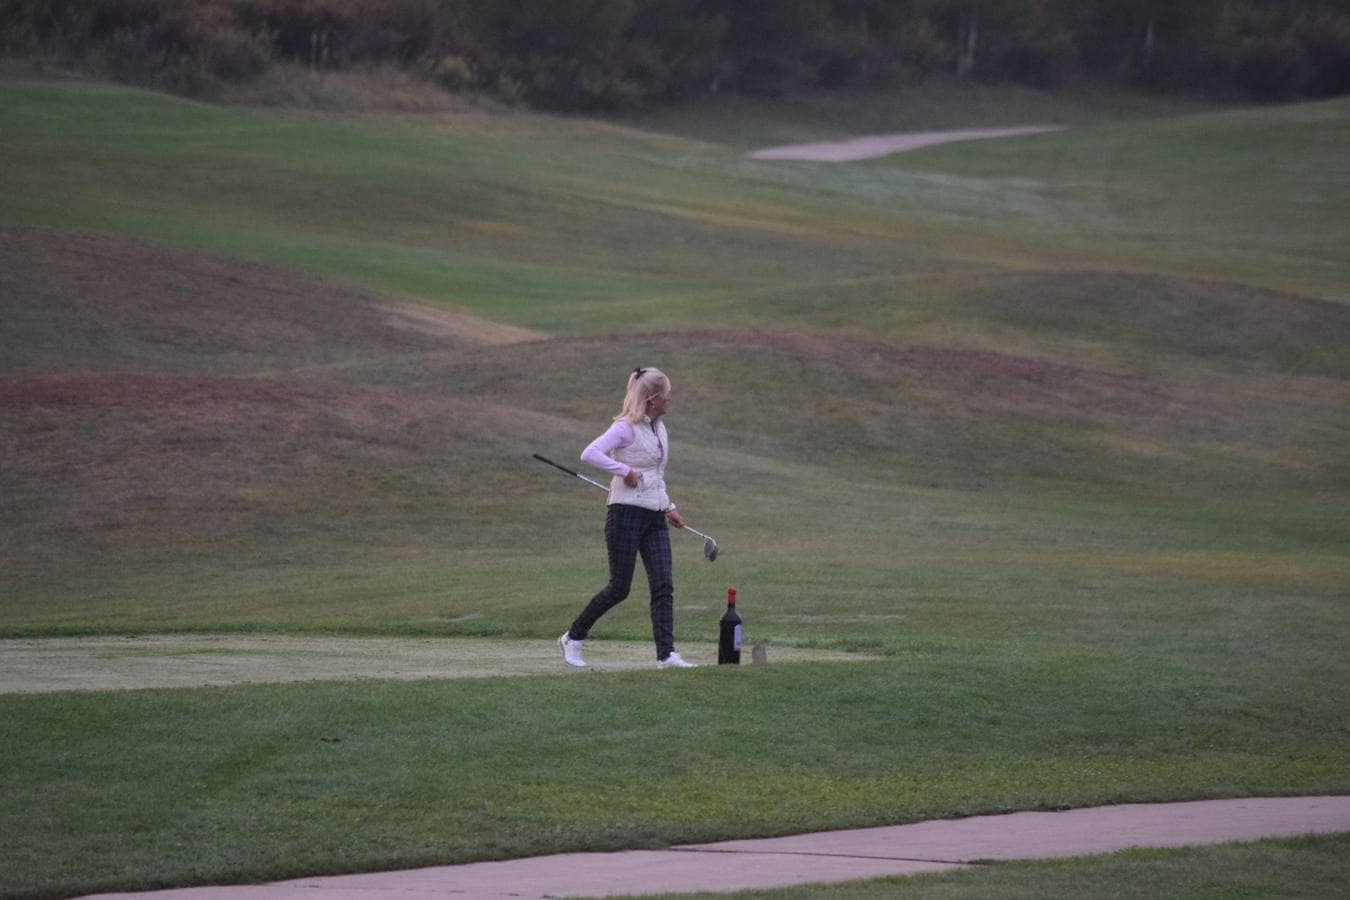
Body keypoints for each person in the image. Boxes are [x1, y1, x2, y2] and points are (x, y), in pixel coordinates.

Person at [559, 367, 697, 669]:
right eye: (666, 395)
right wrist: (625, 471)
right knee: (619, 588)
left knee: (663, 584)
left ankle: (666, 655)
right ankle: (573, 637)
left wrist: (669, 506)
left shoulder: (661, 429)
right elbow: (590, 453)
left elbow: (656, 476)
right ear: (652, 399)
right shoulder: (626, 427)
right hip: (625, 514)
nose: (670, 399)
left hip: (654, 517)